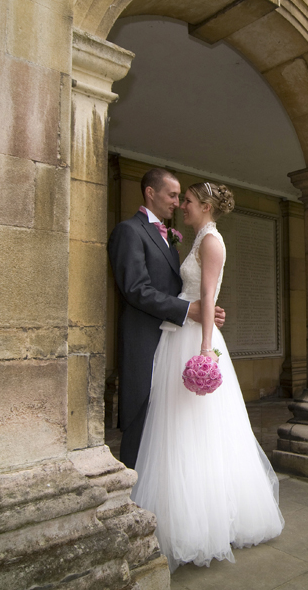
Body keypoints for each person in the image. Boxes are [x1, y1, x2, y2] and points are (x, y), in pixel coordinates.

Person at [131, 181, 284, 571]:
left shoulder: (211, 242)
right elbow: (198, 297)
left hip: (193, 339)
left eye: (188, 201)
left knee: (195, 426)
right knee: (177, 426)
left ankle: (202, 524)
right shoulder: (198, 239)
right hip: (180, 331)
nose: (182, 205)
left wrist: (204, 351)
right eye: (181, 199)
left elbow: (210, 296)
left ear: (205, 205)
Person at [107, 168, 225, 469]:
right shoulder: (129, 231)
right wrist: (190, 310)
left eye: (182, 198)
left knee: (169, 419)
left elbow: (182, 289)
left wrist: (205, 312)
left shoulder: (170, 238)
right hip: (144, 339)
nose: (177, 202)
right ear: (151, 193)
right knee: (141, 414)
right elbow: (135, 289)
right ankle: (134, 488)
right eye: (173, 195)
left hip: (172, 338)